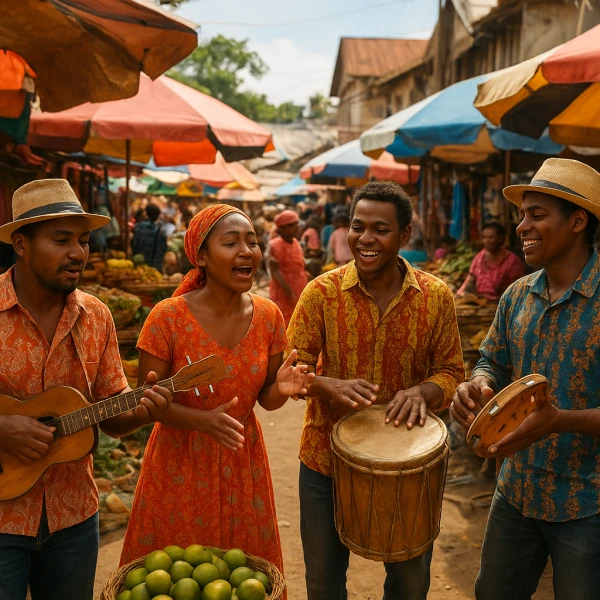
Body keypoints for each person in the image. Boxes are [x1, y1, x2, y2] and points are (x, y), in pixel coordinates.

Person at [288, 180, 464, 600]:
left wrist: (424, 392)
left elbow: (451, 371)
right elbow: (291, 368)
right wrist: (325, 385)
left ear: (405, 235)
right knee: (323, 582)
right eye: (357, 226)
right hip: (324, 460)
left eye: (380, 229)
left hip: (410, 465)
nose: (365, 239)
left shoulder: (435, 297)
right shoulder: (321, 293)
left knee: (408, 584)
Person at [120, 205, 313, 586]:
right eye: (231, 242)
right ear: (202, 257)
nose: (247, 251)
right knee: (171, 577)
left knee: (242, 581)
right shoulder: (167, 317)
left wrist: (283, 388)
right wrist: (200, 421)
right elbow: (151, 402)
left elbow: (267, 398)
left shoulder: (269, 315)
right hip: (178, 464)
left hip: (243, 460)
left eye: (252, 242)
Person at [0, 179, 172, 600]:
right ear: (21, 244)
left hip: (73, 516)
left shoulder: (96, 316)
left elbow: (111, 418)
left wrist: (146, 409)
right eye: (61, 240)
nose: (78, 253)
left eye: (82, 240)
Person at [450, 158, 600, 600]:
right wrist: (475, 385)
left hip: (588, 503)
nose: (521, 226)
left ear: (577, 221)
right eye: (522, 215)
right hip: (515, 490)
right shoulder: (518, 295)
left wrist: (560, 420)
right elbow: (492, 360)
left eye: (536, 215)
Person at [456, 222, 524, 300]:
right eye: (484, 237)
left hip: (502, 303)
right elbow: (469, 281)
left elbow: (517, 290)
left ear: (500, 238)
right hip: (480, 302)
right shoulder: (479, 258)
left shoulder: (512, 261)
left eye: (490, 237)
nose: (486, 241)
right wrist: (460, 294)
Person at [268, 210, 309, 324]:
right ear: (282, 228)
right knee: (285, 323)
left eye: (297, 225)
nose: (297, 228)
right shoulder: (275, 245)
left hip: (299, 288)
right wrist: (289, 292)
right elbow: (275, 272)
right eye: (292, 226)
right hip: (284, 292)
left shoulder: (296, 242)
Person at [131, 203, 168, 271]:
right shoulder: (160, 230)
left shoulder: (138, 227)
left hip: (139, 265)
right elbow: (161, 251)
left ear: (146, 213)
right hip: (154, 266)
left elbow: (134, 245)